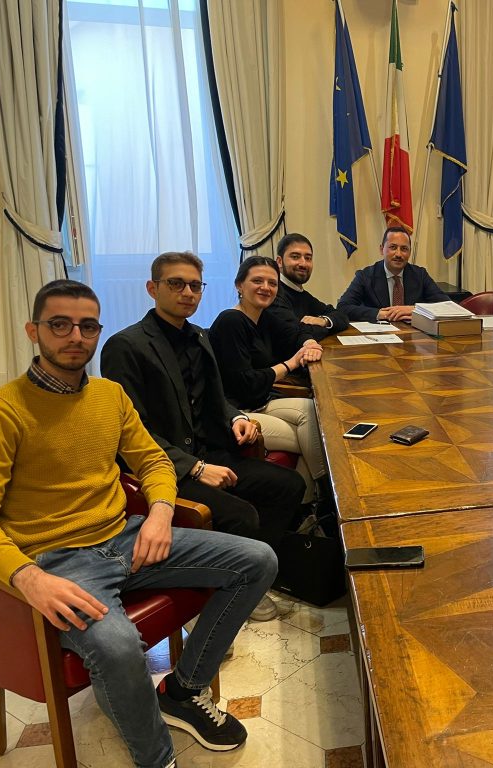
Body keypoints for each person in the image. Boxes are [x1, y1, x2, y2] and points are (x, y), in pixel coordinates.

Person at [0, 279, 277, 766]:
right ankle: (157, 758)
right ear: (33, 331)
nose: (75, 336)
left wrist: (160, 513)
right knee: (121, 648)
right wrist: (29, 578)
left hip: (125, 538)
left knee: (258, 560)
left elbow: (153, 461)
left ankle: (183, 690)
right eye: (59, 325)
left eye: (87, 326)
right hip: (58, 562)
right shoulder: (0, 412)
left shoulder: (109, 395)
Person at [101, 251, 305, 622]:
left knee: (289, 485)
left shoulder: (199, 336)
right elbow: (133, 432)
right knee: (241, 515)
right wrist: (194, 468)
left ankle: (254, 577)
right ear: (152, 288)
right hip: (164, 468)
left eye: (195, 286)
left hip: (209, 452)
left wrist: (237, 418)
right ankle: (231, 592)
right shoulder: (125, 346)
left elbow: (217, 398)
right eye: (176, 284)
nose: (188, 293)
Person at [208, 256, 328, 502]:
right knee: (314, 437)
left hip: (261, 400)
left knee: (315, 411)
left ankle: (310, 503)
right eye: (257, 281)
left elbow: (296, 332)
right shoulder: (231, 321)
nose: (266, 287)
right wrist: (290, 364)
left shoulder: (262, 316)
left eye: (272, 283)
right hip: (237, 411)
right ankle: (325, 495)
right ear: (239, 285)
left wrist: (309, 343)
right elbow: (246, 384)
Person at [337, 225, 450, 322]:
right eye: (393, 247)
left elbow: (447, 306)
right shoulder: (365, 276)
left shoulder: (420, 275)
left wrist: (415, 309)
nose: (398, 254)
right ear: (381, 249)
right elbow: (343, 307)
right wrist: (380, 314)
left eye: (404, 249)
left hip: (413, 335)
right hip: (379, 335)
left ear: (409, 252)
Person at [268, 232, 349, 343]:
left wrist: (324, 321)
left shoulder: (301, 294)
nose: (303, 263)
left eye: (308, 258)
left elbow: (341, 316)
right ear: (279, 262)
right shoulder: (272, 293)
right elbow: (295, 335)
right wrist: (324, 328)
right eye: (295, 257)